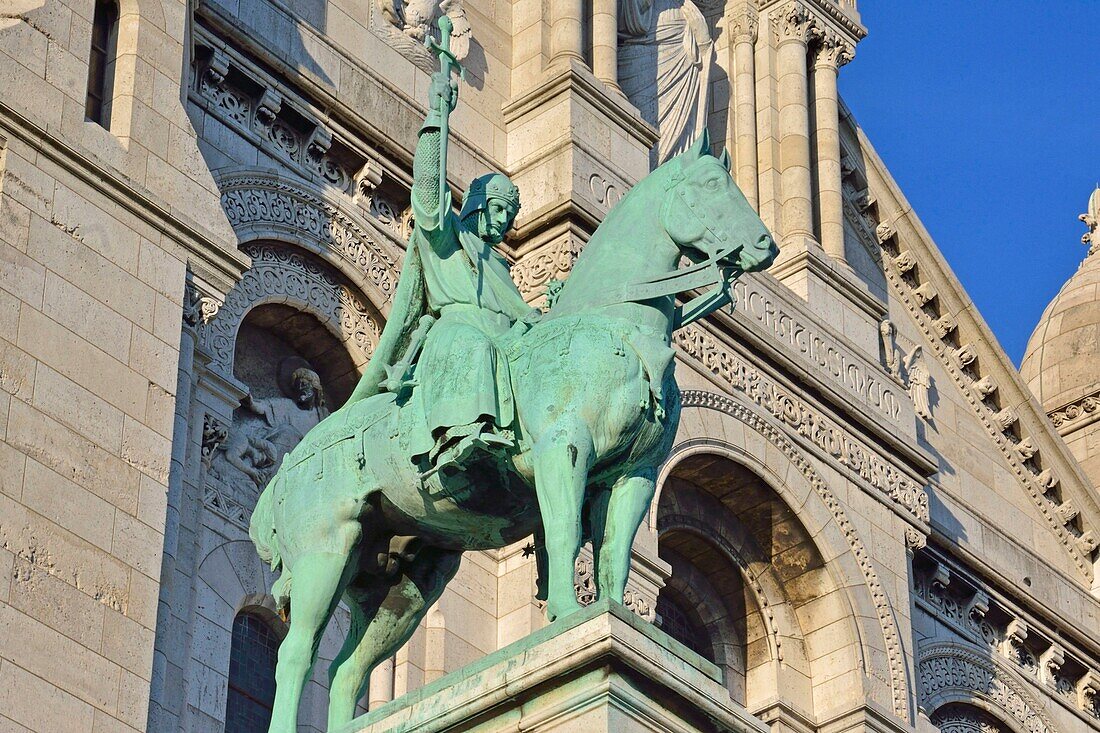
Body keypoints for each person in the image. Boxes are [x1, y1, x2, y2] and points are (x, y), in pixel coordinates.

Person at [349, 69, 539, 473]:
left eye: (511, 215)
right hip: (455, 333)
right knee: (475, 347)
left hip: (502, 340)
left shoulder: (500, 267)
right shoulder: (447, 235)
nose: (505, 222)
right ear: (479, 205)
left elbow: (522, 315)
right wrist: (437, 116)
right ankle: (456, 437)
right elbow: (430, 200)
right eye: (500, 209)